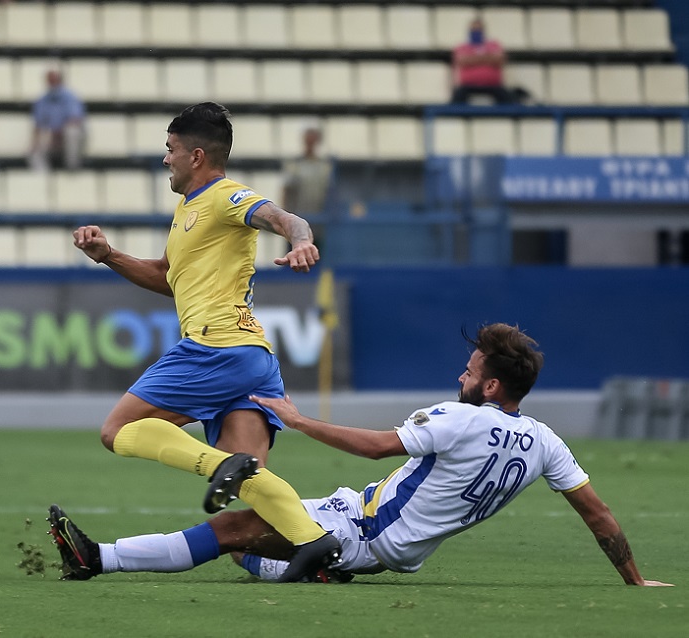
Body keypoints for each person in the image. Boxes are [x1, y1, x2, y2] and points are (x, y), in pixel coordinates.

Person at [48, 323, 673, 587]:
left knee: (234, 531)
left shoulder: (457, 417)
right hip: (367, 522)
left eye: (471, 367)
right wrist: (634, 579)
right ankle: (313, 568)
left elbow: (376, 447)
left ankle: (96, 559)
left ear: (489, 386)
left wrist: (297, 419)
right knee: (251, 531)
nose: (462, 371)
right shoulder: (546, 442)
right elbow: (599, 515)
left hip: (366, 534)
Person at [67, 102, 339, 582]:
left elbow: (283, 218)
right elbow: (169, 277)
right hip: (253, 360)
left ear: (196, 155)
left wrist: (300, 241)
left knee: (116, 431)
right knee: (250, 490)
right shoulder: (188, 211)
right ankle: (315, 543)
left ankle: (223, 465)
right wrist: (107, 254)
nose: (165, 159)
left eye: (170, 150)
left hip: (214, 348)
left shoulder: (225, 197)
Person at [281, 121, 333, 249]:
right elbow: (286, 192)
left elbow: (330, 193)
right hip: (295, 228)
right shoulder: (294, 166)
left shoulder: (324, 167)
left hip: (319, 227)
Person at [450, 17, 517, 105]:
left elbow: (500, 59)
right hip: (468, 86)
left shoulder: (494, 44)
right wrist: (487, 58)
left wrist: (473, 59)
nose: (476, 32)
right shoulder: (462, 47)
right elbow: (461, 61)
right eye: (474, 29)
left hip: (493, 86)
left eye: (479, 29)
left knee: (509, 101)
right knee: (456, 100)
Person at [29, 69, 85, 171]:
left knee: (72, 132)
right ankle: (43, 180)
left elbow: (75, 120)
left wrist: (59, 133)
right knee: (35, 150)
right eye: (50, 80)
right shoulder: (42, 100)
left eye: (54, 80)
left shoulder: (71, 97)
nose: (52, 83)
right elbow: (38, 125)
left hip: (66, 138)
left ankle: (72, 169)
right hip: (52, 139)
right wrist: (35, 143)